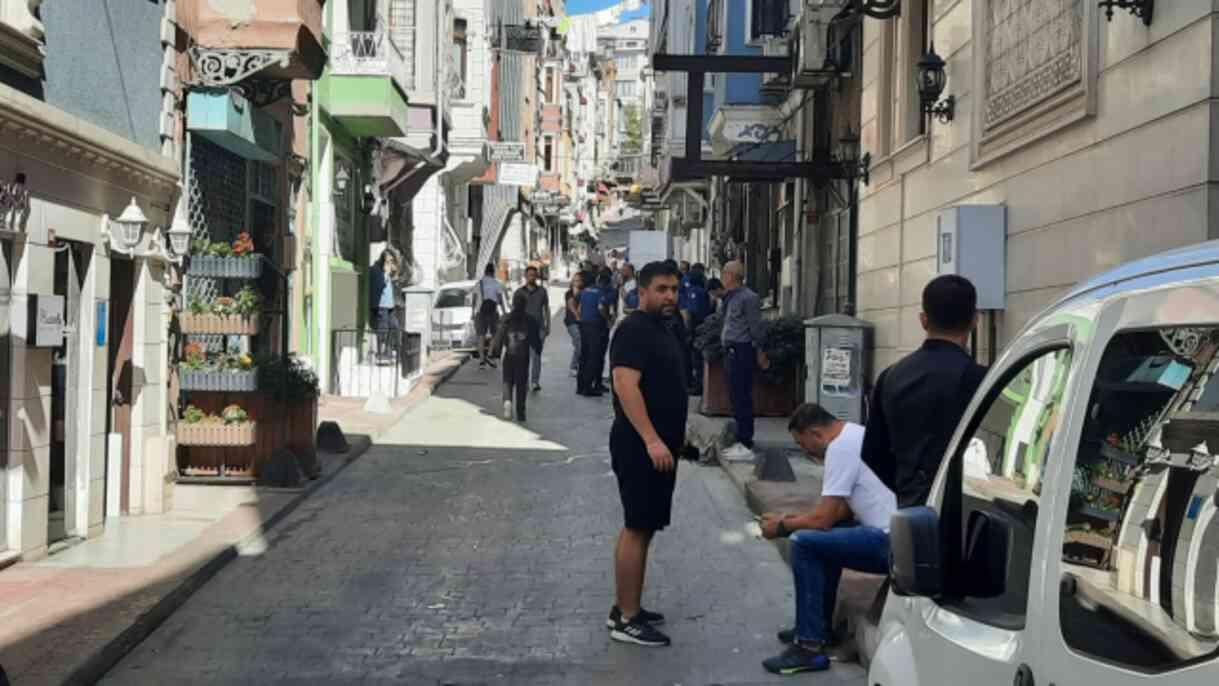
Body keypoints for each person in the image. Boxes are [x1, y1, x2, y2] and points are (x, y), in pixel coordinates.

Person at [759, 403, 897, 675]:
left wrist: (783, 526)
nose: (805, 451)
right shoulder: (855, 434)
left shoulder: (840, 448)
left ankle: (809, 647)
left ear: (815, 433)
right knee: (821, 537)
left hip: (890, 543)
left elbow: (822, 519)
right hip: (897, 534)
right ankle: (818, 628)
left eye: (803, 444)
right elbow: (837, 512)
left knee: (803, 543)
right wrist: (792, 518)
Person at [607, 261, 687, 647]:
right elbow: (626, 386)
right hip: (640, 445)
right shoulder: (634, 329)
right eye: (661, 289)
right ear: (642, 292)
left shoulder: (665, 328)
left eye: (674, 288)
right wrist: (652, 440)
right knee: (637, 526)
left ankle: (626, 604)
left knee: (647, 524)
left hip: (660, 446)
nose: (670, 295)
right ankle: (627, 619)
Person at [862, 275, 987, 507]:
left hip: (912, 507)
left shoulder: (891, 376)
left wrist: (909, 485)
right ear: (975, 320)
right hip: (965, 511)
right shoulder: (983, 380)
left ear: (923, 320)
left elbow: (872, 453)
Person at [720, 261, 768, 460]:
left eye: (724, 273)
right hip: (731, 351)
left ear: (732, 275)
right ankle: (740, 439)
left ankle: (746, 443)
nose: (722, 277)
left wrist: (761, 351)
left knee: (742, 397)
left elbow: (755, 328)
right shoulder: (730, 297)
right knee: (735, 396)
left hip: (743, 351)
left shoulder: (749, 298)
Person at [490, 290, 543, 422]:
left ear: (513, 304)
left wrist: (496, 353)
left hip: (509, 354)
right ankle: (521, 412)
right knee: (521, 383)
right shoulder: (530, 320)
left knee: (507, 380)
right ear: (525, 305)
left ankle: (507, 402)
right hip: (523, 356)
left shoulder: (506, 319)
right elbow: (536, 340)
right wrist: (538, 349)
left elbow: (499, 337)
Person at [577, 271, 609, 396]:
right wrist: (607, 319)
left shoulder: (584, 292)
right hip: (595, 326)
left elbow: (579, 309)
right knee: (593, 356)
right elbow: (601, 308)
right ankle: (588, 388)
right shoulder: (599, 292)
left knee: (584, 356)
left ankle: (580, 386)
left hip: (584, 325)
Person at [521, 266, 551, 392]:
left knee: (536, 356)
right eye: (529, 275)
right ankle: (524, 381)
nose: (532, 277)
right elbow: (516, 311)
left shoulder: (542, 291)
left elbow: (546, 309)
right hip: (524, 329)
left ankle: (535, 381)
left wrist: (548, 325)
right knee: (524, 356)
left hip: (539, 329)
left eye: (534, 275)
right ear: (525, 276)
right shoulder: (519, 292)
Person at [681, 269, 711, 393]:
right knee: (699, 357)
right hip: (704, 326)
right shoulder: (704, 292)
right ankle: (700, 384)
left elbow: (690, 312)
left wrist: (687, 330)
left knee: (696, 358)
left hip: (695, 328)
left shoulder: (692, 292)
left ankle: (698, 386)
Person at [368, 250, 400, 361]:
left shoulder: (386, 270)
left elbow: (394, 282)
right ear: (383, 260)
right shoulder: (376, 270)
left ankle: (389, 350)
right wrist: (386, 274)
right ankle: (381, 353)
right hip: (381, 305)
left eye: (392, 260)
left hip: (389, 305)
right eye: (388, 261)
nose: (390, 263)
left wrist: (393, 273)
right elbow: (380, 286)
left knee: (394, 326)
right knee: (383, 329)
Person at [474, 262, 507, 369]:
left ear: (485, 271)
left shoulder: (479, 283)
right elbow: (500, 299)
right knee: (495, 334)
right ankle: (489, 353)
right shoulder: (497, 283)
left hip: (480, 312)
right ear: (493, 272)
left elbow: (474, 300)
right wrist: (504, 311)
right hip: (493, 312)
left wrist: (472, 312)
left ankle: (481, 361)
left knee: (480, 336)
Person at [565, 272, 584, 378]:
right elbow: (571, 305)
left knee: (578, 344)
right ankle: (573, 367)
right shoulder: (569, 293)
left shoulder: (583, 292)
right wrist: (577, 316)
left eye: (579, 280)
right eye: (575, 280)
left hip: (581, 322)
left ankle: (576, 366)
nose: (577, 282)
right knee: (579, 344)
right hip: (571, 322)